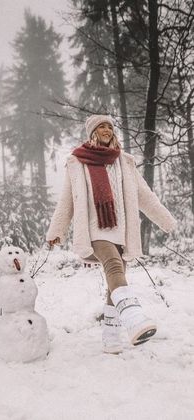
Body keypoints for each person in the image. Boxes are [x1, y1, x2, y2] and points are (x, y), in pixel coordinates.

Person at [46, 114, 177, 354]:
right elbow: (67, 199)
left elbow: (145, 196)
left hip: (121, 231)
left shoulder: (124, 161)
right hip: (96, 230)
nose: (106, 129)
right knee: (115, 268)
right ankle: (134, 319)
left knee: (113, 284)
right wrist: (57, 230)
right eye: (101, 126)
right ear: (93, 132)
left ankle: (111, 337)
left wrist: (166, 221)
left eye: (109, 126)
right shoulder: (78, 162)